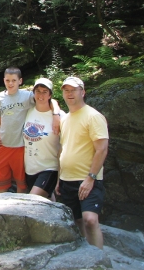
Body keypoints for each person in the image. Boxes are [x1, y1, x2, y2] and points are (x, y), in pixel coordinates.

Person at [55, 76, 108, 249]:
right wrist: (58, 179)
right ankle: (88, 256)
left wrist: (91, 177)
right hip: (66, 179)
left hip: (88, 179)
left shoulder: (93, 116)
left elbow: (101, 149)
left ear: (82, 92)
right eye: (66, 90)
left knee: (90, 220)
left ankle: (99, 261)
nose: (69, 93)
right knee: (77, 220)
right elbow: (63, 149)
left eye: (73, 90)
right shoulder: (65, 119)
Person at [0, 67, 60, 194]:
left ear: (20, 81)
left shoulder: (27, 96)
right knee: (0, 181)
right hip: (3, 145)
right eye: (8, 80)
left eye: (14, 80)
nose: (10, 83)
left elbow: (48, 100)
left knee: (21, 184)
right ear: (4, 81)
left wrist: (56, 114)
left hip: (20, 146)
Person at [23, 78, 63, 199]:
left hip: (49, 168)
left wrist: (61, 177)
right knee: (46, 203)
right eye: (38, 91)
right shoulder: (28, 111)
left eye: (45, 91)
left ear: (50, 94)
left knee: (32, 200)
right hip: (29, 169)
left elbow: (65, 147)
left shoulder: (60, 116)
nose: (41, 95)